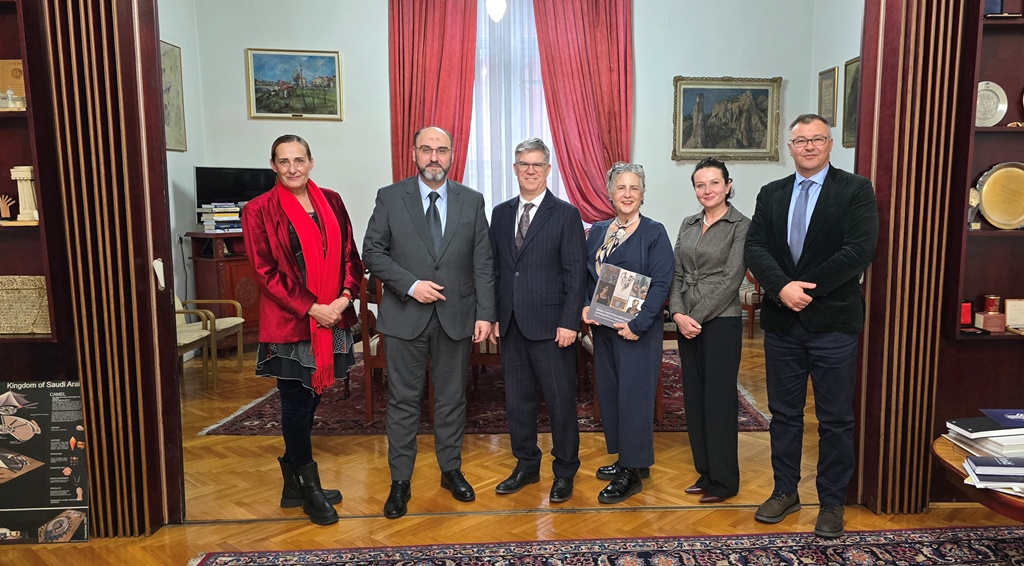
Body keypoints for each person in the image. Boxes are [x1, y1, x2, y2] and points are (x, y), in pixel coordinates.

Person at [745, 114, 879, 538]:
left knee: (835, 418)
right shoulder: (771, 193)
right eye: (800, 140)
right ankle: (785, 491)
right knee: (784, 415)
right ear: (790, 147)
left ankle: (832, 501)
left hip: (833, 324)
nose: (808, 146)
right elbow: (755, 247)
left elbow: (859, 251)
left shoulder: (855, 190)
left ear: (829, 144)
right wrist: (781, 287)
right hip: (782, 324)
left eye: (816, 139)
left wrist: (805, 288)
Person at [362, 126, 496, 519]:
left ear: (453, 154)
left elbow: (483, 262)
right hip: (405, 316)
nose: (434, 157)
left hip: (457, 317)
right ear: (414, 153)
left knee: (452, 399)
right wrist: (411, 285)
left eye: (441, 150)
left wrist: (486, 313)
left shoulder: (472, 200)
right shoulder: (390, 197)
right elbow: (372, 252)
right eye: (426, 149)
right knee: (403, 401)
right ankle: (400, 481)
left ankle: (450, 470)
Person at [242, 134, 363, 526]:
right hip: (291, 321)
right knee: (296, 401)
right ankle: (309, 487)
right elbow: (265, 273)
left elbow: (351, 255)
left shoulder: (332, 200)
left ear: (311, 162)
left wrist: (343, 299)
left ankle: (294, 482)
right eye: (284, 161)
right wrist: (312, 308)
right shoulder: (258, 210)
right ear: (273, 166)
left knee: (313, 399)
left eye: (299, 160)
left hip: (333, 315)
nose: (292, 168)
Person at [488, 137, 587, 503]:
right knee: (518, 401)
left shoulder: (566, 214)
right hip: (511, 324)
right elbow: (496, 269)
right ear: (515, 169)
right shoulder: (500, 213)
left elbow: (575, 272)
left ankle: (565, 471)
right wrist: (494, 316)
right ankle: (526, 465)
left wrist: (570, 322)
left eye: (537, 164)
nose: (530, 170)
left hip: (552, 327)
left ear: (548, 169)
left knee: (560, 403)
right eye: (524, 164)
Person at [582, 162, 674, 504]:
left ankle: (632, 474)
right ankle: (628, 460)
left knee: (635, 398)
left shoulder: (654, 232)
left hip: (637, 332)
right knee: (612, 395)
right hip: (604, 329)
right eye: (621, 187)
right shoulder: (598, 231)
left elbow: (662, 283)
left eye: (634, 187)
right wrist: (584, 305)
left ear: (643, 193)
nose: (627, 194)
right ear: (610, 192)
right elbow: (585, 274)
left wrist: (638, 325)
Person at [669, 157, 750, 504]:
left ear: (728, 185)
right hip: (686, 321)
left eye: (714, 183)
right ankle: (705, 472)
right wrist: (677, 313)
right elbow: (675, 273)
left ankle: (725, 481)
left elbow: (732, 279)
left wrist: (695, 317)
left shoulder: (741, 225)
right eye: (700, 185)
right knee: (695, 400)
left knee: (718, 401)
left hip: (721, 322)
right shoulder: (687, 223)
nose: (707, 190)